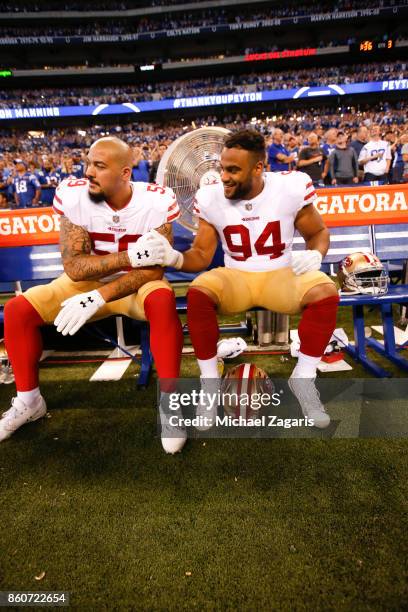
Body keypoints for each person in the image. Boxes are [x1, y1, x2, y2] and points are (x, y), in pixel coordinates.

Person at [1, 137, 185, 454]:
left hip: (136, 285)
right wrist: (128, 258)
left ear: (126, 173)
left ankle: (170, 402)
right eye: (88, 163)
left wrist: (100, 297)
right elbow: (74, 267)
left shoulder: (156, 201)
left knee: (161, 300)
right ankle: (30, 401)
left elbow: (153, 271)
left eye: (99, 166)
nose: (88, 172)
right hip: (86, 283)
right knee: (18, 310)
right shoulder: (75, 196)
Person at [150, 129, 339, 428]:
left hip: (281, 274)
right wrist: (173, 257)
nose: (223, 176)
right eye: (222, 168)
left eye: (233, 170)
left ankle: (303, 378)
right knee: (199, 292)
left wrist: (317, 253)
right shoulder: (210, 196)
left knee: (326, 291)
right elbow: (200, 254)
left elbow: (317, 232)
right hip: (237, 276)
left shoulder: (289, 187)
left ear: (259, 168)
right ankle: (210, 385)